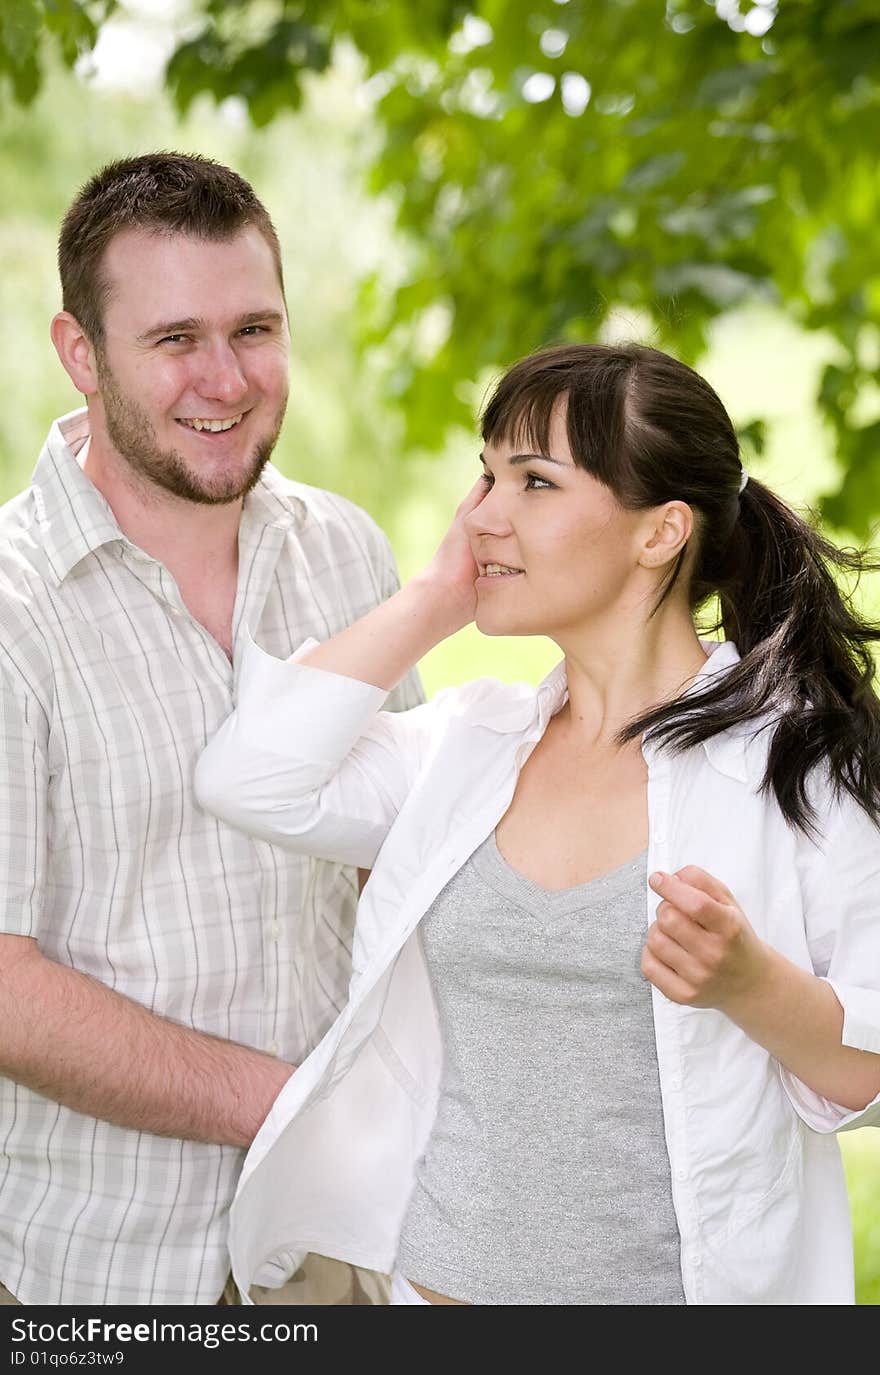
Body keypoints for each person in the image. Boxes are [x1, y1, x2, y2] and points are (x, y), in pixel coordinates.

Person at [196, 341, 880, 1306]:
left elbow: (871, 1067)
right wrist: (435, 599)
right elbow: (249, 778)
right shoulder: (468, 745)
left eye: (534, 481)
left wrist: (751, 983)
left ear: (659, 533)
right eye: (485, 475)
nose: (482, 514)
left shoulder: (797, 764)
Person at [0, 151, 423, 1308]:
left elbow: (404, 862)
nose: (226, 378)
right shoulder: (10, 608)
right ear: (80, 352)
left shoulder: (346, 552)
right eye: (175, 337)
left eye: (255, 328)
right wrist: (290, 1104)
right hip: (96, 1267)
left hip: (331, 1248)